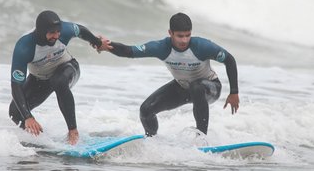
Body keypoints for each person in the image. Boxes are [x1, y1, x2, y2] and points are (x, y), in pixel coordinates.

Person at [100, 12, 239, 138]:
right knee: (146, 110)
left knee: (196, 87)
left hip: (209, 87)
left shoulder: (202, 46)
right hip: (182, 87)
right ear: (170, 33)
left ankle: (201, 139)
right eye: (180, 36)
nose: (184, 40)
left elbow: (229, 60)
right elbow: (129, 51)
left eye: (187, 35)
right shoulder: (161, 48)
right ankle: (151, 141)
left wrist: (234, 92)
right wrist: (107, 45)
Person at [9, 10, 106, 145]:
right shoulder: (24, 47)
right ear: (41, 32)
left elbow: (81, 31)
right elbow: (16, 86)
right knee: (15, 112)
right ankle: (41, 140)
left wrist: (98, 43)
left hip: (68, 68)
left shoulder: (65, 30)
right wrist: (28, 117)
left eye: (58, 32)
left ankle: (73, 132)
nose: (56, 36)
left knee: (58, 81)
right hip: (40, 79)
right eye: (52, 33)